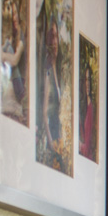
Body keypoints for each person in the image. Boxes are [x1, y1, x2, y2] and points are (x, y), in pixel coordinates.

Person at [2, 0, 26, 105]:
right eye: (12, 14)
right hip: (13, 79)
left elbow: (15, 60)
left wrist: (3, 56)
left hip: (20, 85)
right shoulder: (12, 36)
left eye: (15, 13)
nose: (14, 17)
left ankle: (20, 92)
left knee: (8, 48)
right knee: (7, 45)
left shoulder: (22, 36)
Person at [42, 18, 62, 152]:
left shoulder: (58, 68)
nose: (54, 42)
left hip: (59, 139)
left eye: (56, 36)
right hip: (52, 142)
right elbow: (44, 113)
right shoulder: (48, 69)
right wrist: (50, 142)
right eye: (51, 37)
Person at [79, 62, 97, 162]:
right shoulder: (83, 105)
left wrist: (79, 145)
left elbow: (87, 147)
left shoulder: (91, 107)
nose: (88, 84)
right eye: (86, 80)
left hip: (88, 159)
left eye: (89, 80)